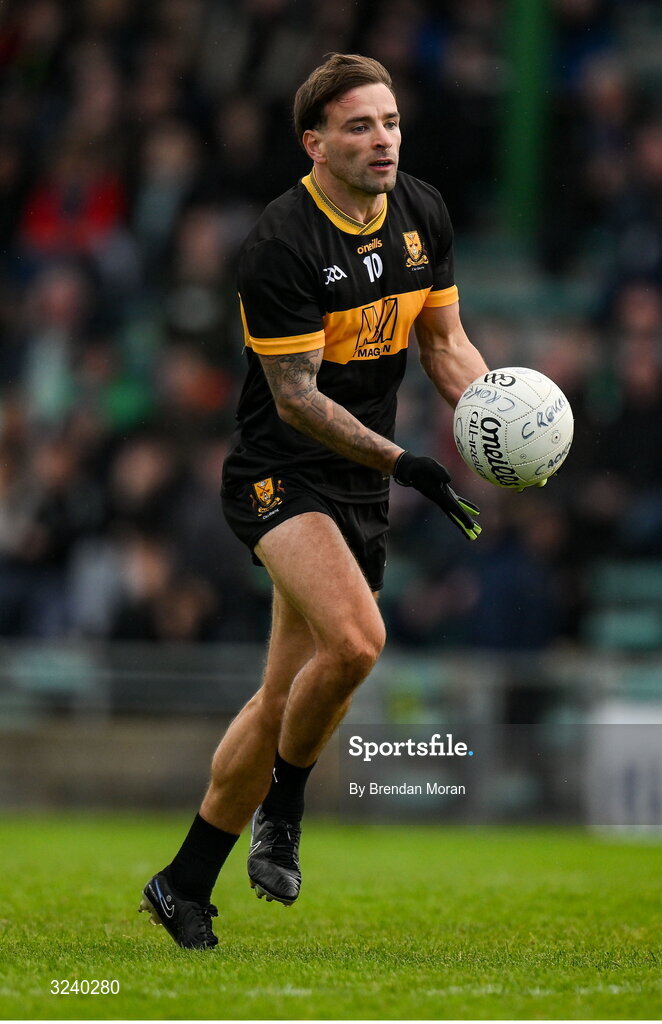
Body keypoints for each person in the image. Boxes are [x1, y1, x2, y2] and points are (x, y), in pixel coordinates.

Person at [139, 53, 489, 949]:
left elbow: (443, 342)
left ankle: (183, 882)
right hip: (278, 472)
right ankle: (286, 807)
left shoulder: (421, 211)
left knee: (279, 696)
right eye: (361, 126)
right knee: (358, 640)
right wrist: (408, 460)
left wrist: (494, 415)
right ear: (315, 142)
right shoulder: (280, 242)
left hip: (360, 480)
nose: (384, 140)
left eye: (392, 122)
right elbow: (295, 397)